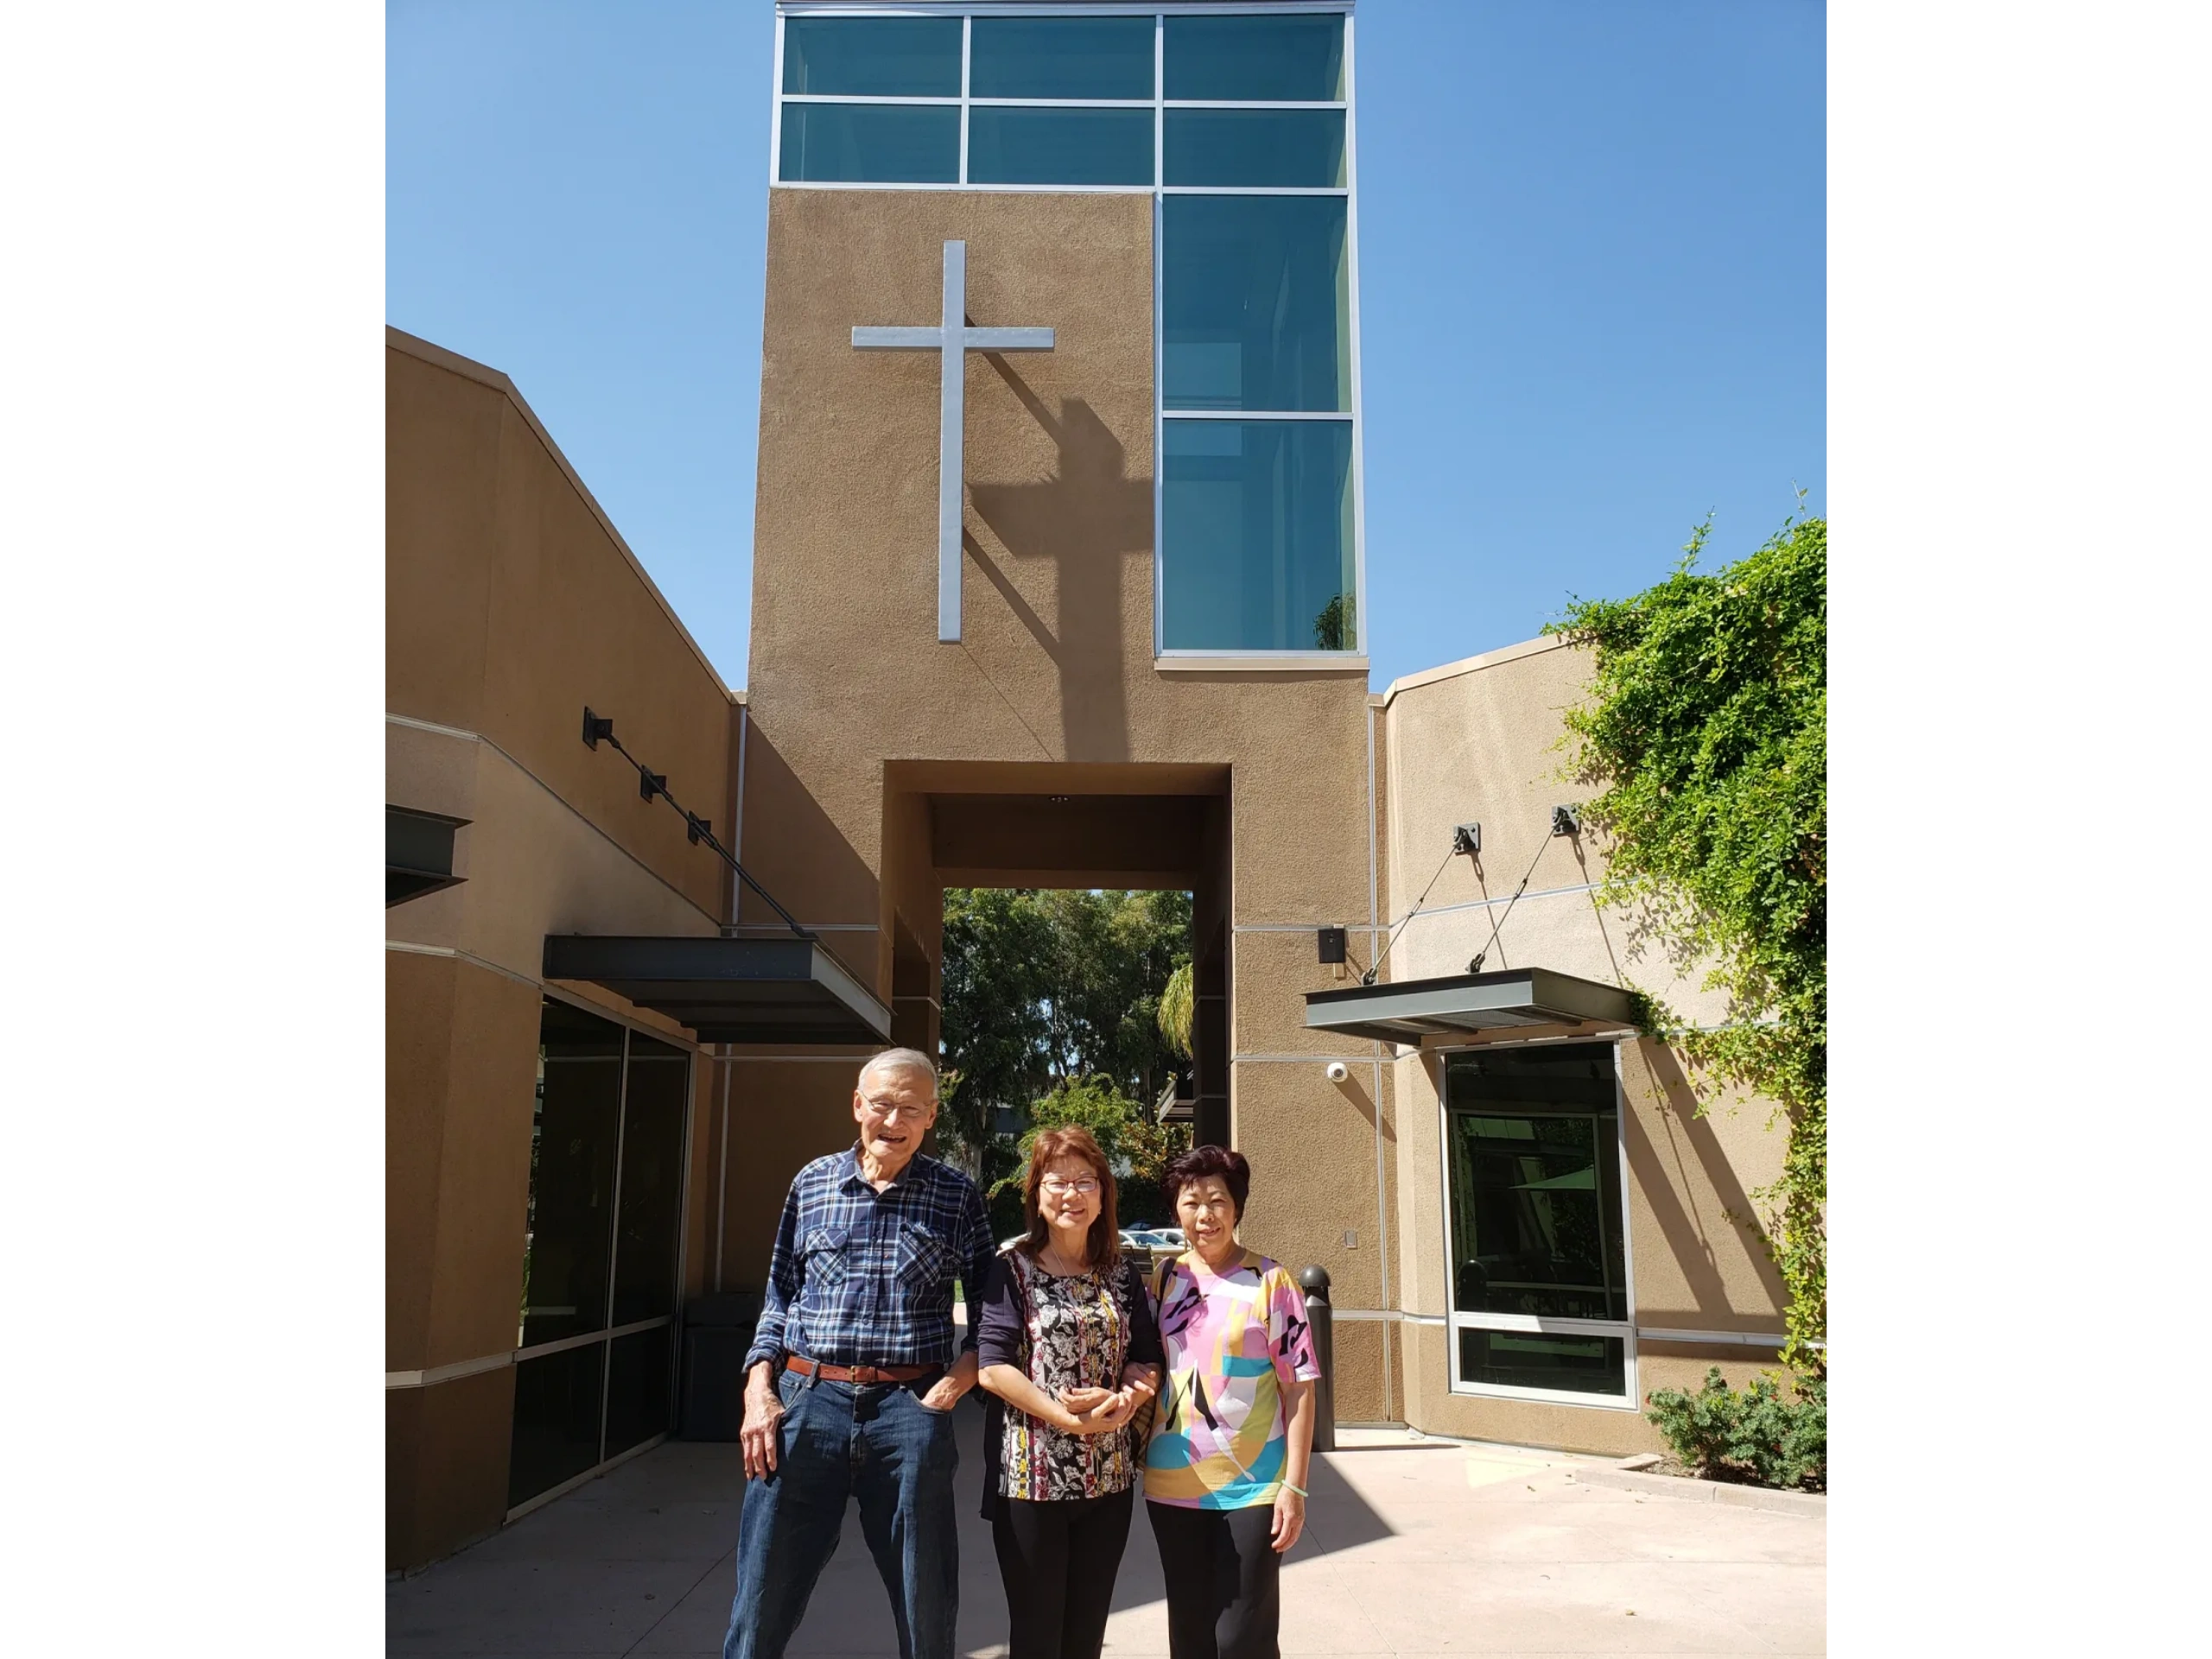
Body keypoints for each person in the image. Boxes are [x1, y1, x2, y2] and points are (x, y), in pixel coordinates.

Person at [721, 1048, 995, 1659]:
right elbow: (778, 1298)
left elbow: (992, 1318)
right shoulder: (812, 1183)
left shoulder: (957, 1197)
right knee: (761, 1598)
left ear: (931, 1117)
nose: (893, 1119)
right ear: (856, 1106)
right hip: (804, 1405)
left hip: (909, 1411)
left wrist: (949, 1389)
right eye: (881, 1104)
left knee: (925, 1601)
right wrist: (758, 1391)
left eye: (911, 1108)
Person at [976, 1128, 1163, 1659]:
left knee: (1085, 1634)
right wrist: (1065, 1418)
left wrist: (1127, 1399)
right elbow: (992, 1368)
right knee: (1037, 1636)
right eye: (1058, 1182)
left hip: (1108, 1479)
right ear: (1037, 1193)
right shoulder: (1011, 1267)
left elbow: (1146, 1357)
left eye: (1086, 1182)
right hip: (1031, 1480)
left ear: (1104, 1194)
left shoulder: (1123, 1272)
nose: (1072, 1195)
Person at [1140, 1146, 1320, 1659]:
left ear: (1236, 1207)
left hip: (1254, 1486)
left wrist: (1295, 1487)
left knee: (1244, 1637)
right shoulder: (1166, 1280)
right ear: (1176, 1211)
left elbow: (1300, 1387)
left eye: (1217, 1200)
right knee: (1190, 1637)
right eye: (1191, 1202)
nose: (1205, 1215)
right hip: (1172, 1484)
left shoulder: (1271, 1282)